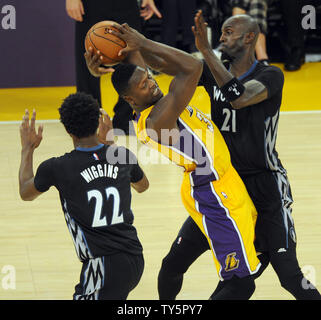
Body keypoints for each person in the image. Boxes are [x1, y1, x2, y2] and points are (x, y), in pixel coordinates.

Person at [85, 20, 262, 299]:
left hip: (204, 186)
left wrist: (112, 63)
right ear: (131, 99)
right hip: (217, 195)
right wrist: (143, 41)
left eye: (150, 77)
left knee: (171, 267)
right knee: (242, 282)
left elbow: (135, 66)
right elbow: (193, 67)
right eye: (145, 84)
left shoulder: (149, 103)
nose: (153, 83)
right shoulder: (158, 119)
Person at [158, 10, 321, 300]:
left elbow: (240, 97)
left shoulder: (271, 75)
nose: (221, 37)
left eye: (228, 32)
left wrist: (206, 51)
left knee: (290, 276)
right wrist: (134, 47)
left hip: (265, 187)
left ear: (249, 38)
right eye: (220, 32)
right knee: (173, 264)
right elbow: (170, 63)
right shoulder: (213, 70)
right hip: (225, 188)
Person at [18, 92, 149, 300]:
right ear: (98, 122)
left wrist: (27, 148)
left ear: (67, 130)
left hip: (103, 265)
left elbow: (26, 192)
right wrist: (109, 147)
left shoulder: (57, 167)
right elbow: (143, 186)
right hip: (134, 256)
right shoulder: (121, 155)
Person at [65, 0, 161, 134]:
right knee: (89, 58)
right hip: (90, 4)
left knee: (133, 56)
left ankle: (126, 119)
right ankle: (87, 120)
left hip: (127, 5)